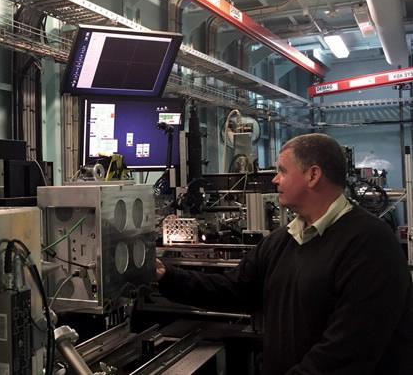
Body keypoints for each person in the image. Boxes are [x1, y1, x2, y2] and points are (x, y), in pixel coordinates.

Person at [156, 133, 413, 374]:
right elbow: (234, 289)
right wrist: (166, 275)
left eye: (282, 171)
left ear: (313, 175)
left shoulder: (370, 244)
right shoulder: (284, 240)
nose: (275, 179)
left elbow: (348, 352)